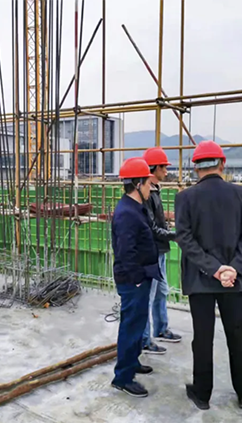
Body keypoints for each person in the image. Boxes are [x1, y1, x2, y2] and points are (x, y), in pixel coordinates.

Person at [175, 140, 242, 410]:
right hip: (233, 280)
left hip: (201, 280)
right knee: (237, 335)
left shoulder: (185, 198)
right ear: (222, 164)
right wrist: (233, 267)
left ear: (196, 168)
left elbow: (185, 239)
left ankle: (202, 395)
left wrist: (213, 269)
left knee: (203, 338)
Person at [111, 157, 162, 398]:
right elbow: (125, 252)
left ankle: (132, 362)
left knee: (137, 323)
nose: (151, 188)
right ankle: (122, 377)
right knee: (131, 326)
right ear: (138, 184)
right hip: (133, 281)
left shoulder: (135, 208)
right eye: (148, 184)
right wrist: (138, 278)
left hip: (140, 277)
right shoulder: (127, 213)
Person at [140, 147, 181, 356]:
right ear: (154, 168)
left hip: (160, 249)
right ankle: (144, 340)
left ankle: (161, 328)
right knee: (149, 296)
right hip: (152, 251)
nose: (166, 171)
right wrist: (175, 235)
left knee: (161, 292)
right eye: (164, 167)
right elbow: (152, 227)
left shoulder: (155, 189)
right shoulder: (146, 192)